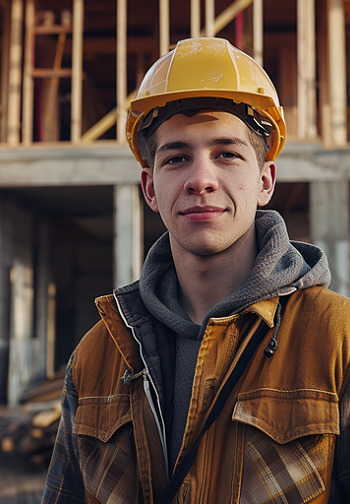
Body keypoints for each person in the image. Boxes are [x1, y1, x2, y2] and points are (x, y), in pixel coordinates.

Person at [42, 37, 350, 504]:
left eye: (227, 153)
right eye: (176, 158)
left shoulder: (337, 340)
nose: (201, 178)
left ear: (265, 181)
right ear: (150, 188)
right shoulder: (96, 357)